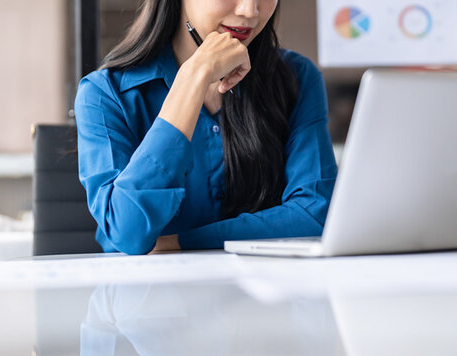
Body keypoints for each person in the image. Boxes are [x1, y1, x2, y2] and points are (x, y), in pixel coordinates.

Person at [74, 0, 338, 255]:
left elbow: (314, 214)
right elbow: (128, 231)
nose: (249, 10)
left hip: (261, 292)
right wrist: (194, 79)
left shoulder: (297, 78)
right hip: (146, 295)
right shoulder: (105, 94)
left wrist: (180, 242)